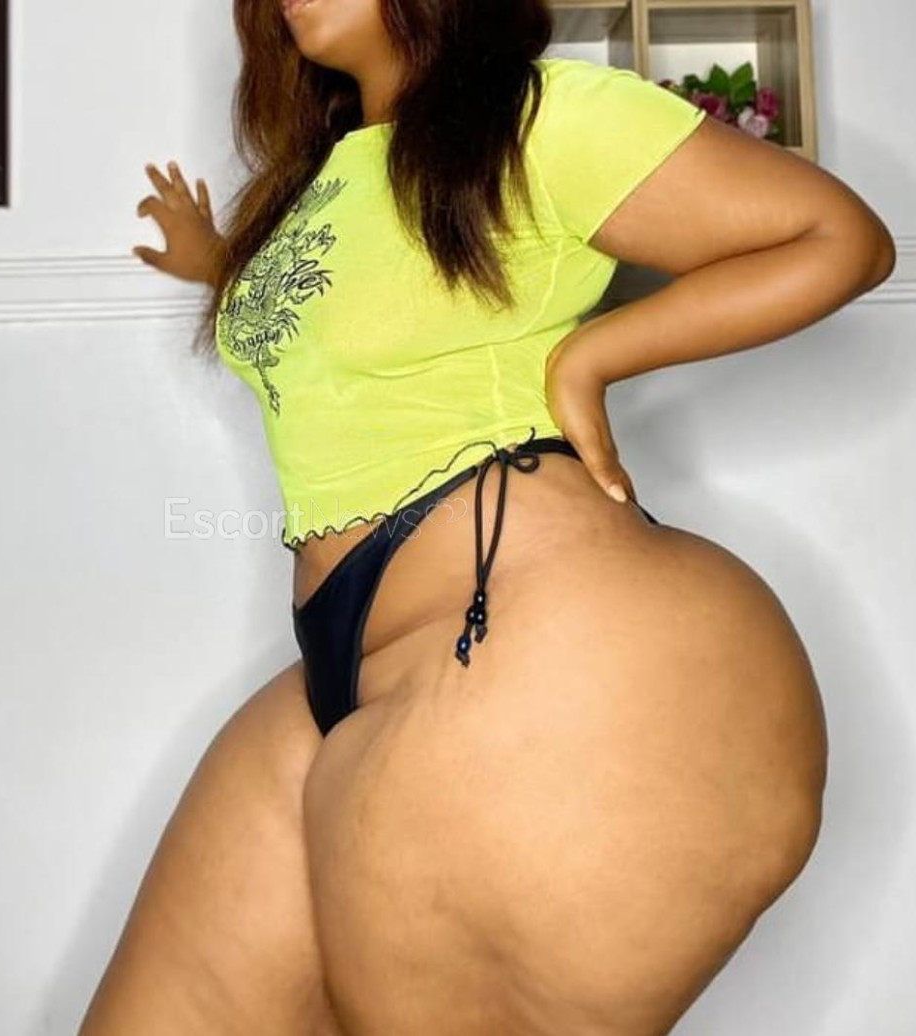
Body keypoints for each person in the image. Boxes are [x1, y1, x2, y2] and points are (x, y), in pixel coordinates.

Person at [84, 0, 896, 1033]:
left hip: (535, 630)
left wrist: (591, 358)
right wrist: (216, 260)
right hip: (359, 663)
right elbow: (342, 310)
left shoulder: (542, 116)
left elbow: (837, 238)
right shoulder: (322, 176)